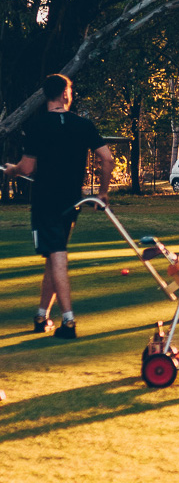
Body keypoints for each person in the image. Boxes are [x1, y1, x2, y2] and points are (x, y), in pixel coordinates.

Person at [2, 74, 114, 339]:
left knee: (56, 255)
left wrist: (12, 171)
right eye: (71, 90)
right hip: (71, 201)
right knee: (55, 255)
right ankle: (42, 316)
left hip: (45, 201)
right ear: (65, 94)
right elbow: (107, 159)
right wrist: (103, 193)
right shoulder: (83, 124)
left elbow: (27, 167)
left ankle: (68, 321)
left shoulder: (38, 125)